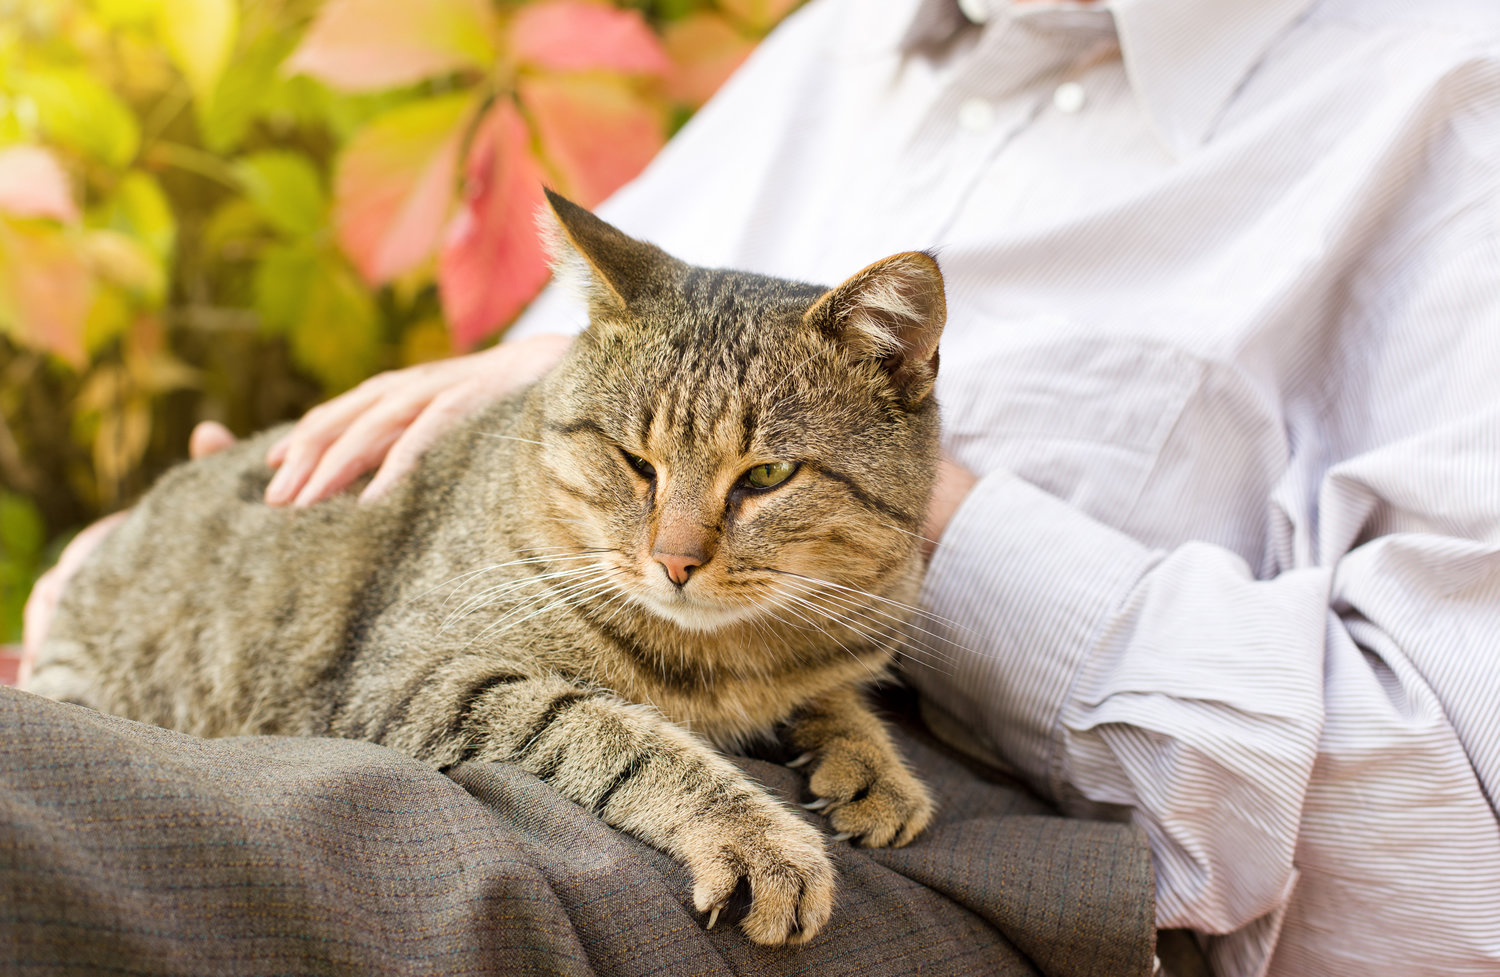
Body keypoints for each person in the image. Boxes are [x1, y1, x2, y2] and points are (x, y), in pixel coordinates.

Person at [25, 0, 1500, 973]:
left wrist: (931, 521)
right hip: (437, 704)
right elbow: (550, 444)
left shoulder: (1448, 99)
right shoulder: (840, 41)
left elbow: (1448, 861)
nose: (680, 543)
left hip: (910, 858)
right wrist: (189, 552)